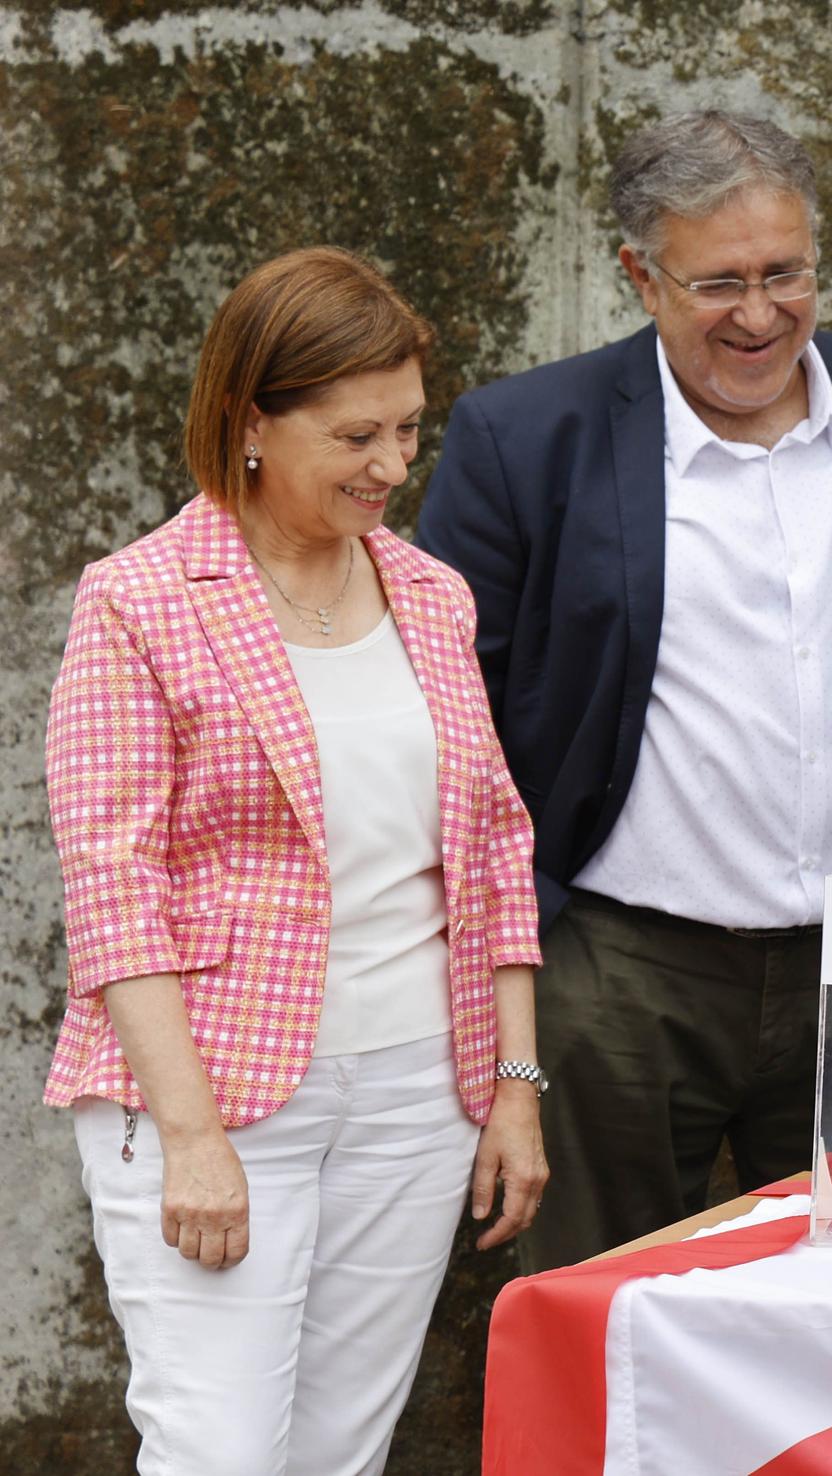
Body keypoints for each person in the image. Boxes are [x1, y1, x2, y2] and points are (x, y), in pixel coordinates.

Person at [418, 109, 832, 1270]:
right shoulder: (525, 439)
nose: (761, 315)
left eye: (787, 273)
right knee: (598, 1304)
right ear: (640, 275)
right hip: (626, 974)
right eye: (719, 282)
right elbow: (455, 722)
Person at [42, 247, 547, 1474]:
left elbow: (493, 847)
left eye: (408, 431)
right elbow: (113, 884)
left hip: (417, 1093)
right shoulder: (139, 600)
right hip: (214, 1092)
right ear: (251, 421)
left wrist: (515, 1086)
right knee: (219, 1451)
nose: (391, 466)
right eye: (355, 435)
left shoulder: (430, 595)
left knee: (339, 1451)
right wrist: (192, 1136)